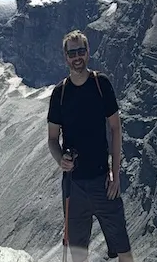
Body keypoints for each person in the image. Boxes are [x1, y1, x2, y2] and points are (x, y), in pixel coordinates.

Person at [47, 30, 132, 261]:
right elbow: (52, 140)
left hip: (103, 182)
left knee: (124, 251)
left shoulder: (100, 84)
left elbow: (115, 128)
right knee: (78, 256)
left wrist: (115, 173)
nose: (77, 57)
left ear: (88, 52)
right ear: (65, 56)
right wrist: (60, 160)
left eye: (81, 51)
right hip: (73, 187)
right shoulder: (59, 94)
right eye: (72, 52)